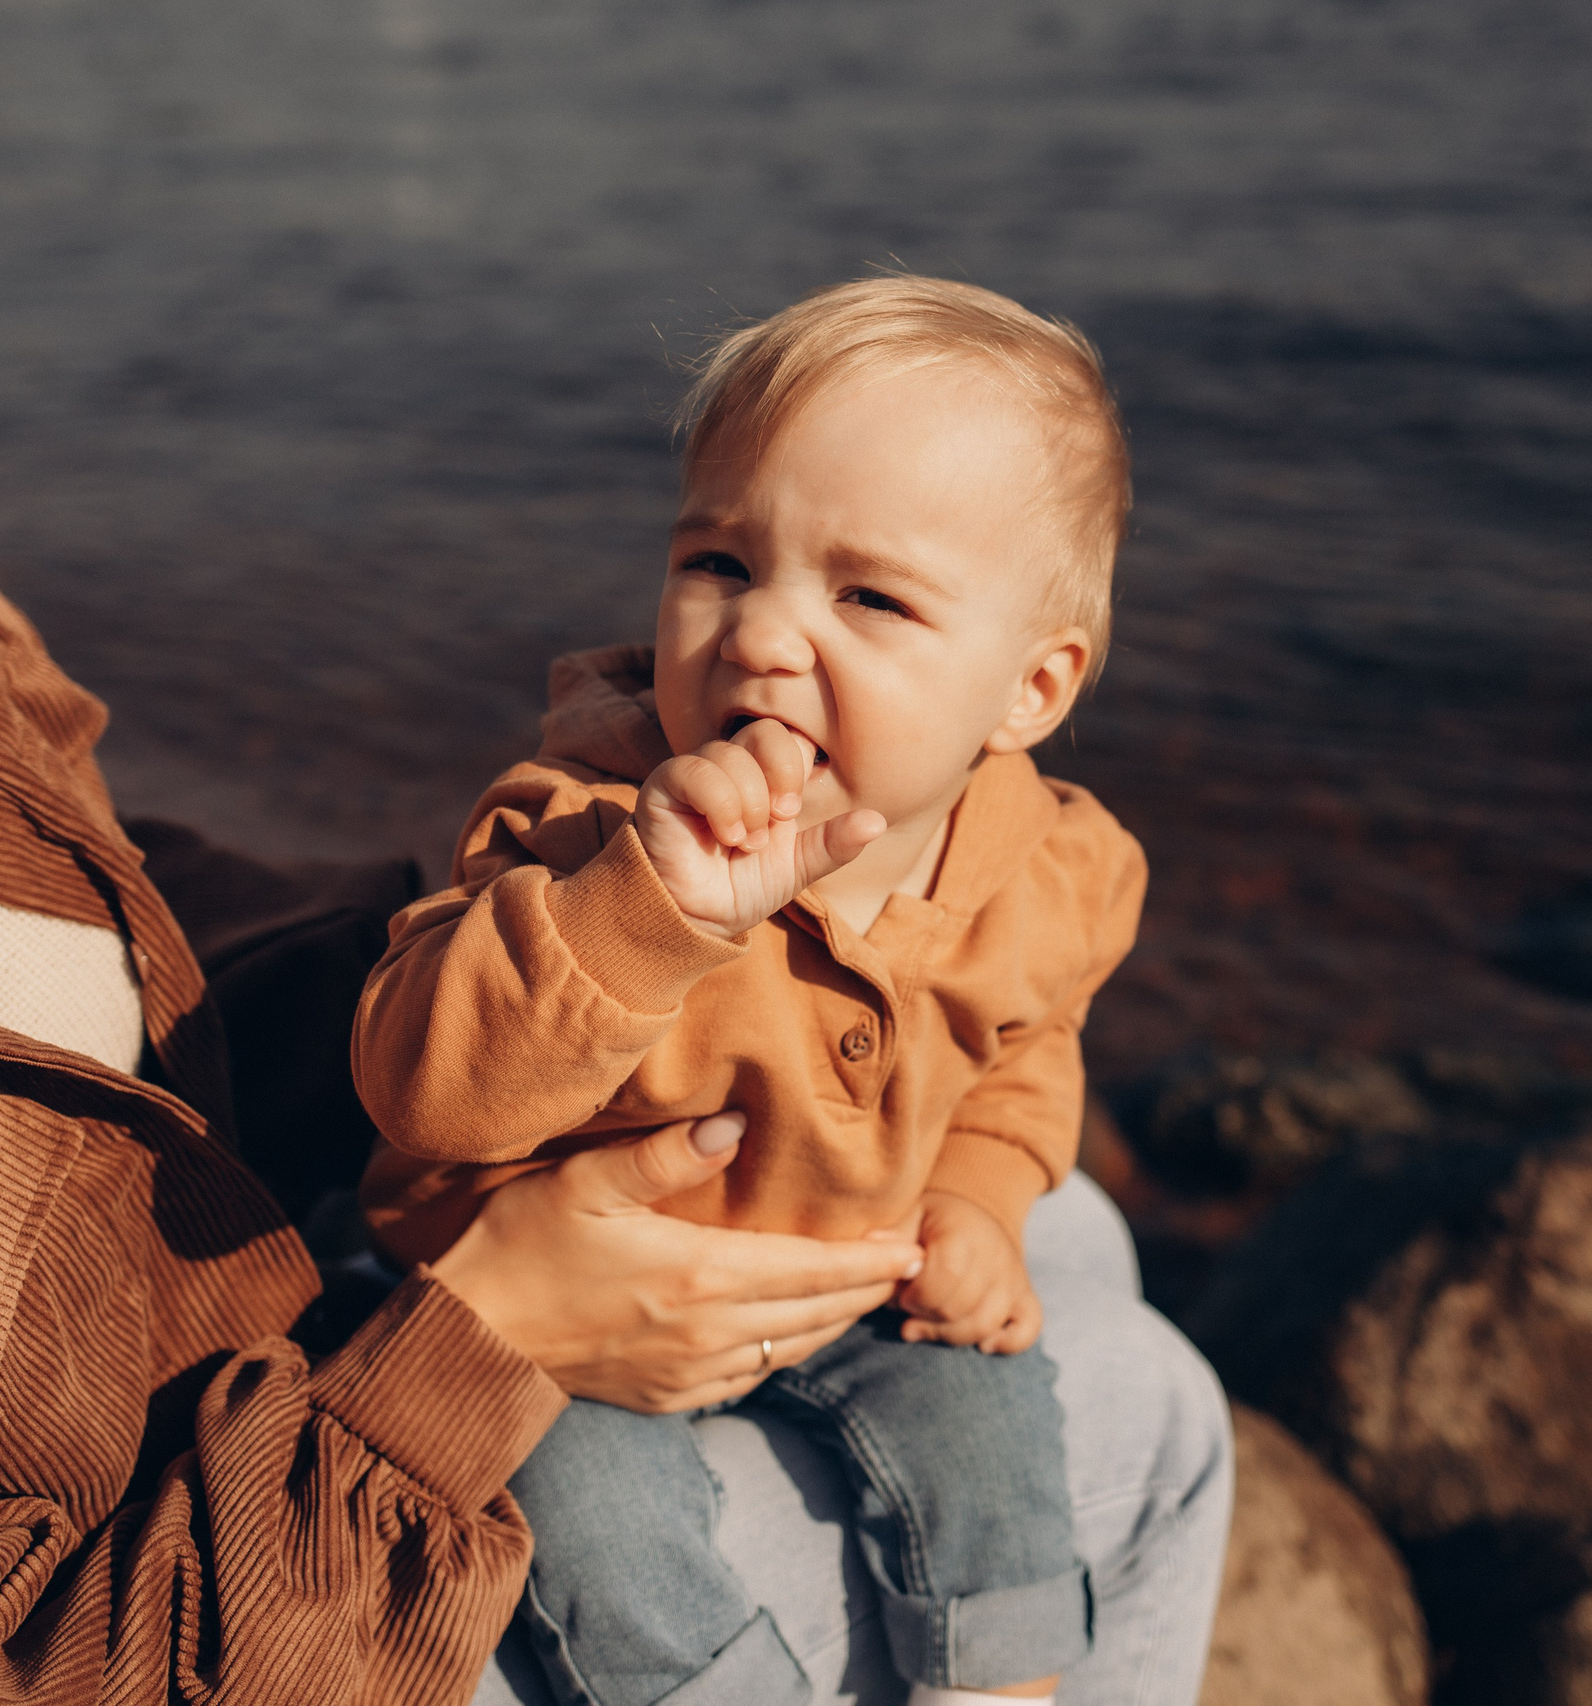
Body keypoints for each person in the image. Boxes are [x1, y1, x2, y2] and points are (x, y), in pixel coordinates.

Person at [0, 4, 1232, 1703]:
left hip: (298, 1235)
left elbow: (110, 873)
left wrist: (480, 945)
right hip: (275, 1574)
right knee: (1145, 1410)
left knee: (1056, 1235)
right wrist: (495, 1325)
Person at [354, 279, 1141, 1706]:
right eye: (721, 562)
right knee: (591, 1522)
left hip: (845, 1275)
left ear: (1029, 690)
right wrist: (638, 916)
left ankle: (1001, 1681)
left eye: (870, 595)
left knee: (994, 1413)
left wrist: (979, 1194)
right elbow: (424, 1087)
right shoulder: (585, 833)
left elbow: (1027, 1047)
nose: (765, 636)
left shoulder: (1053, 862)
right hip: (575, 1321)